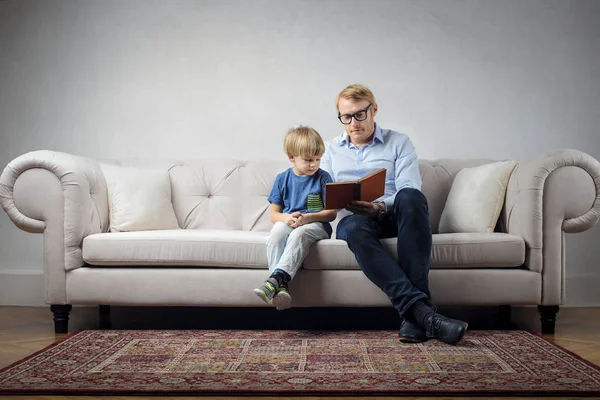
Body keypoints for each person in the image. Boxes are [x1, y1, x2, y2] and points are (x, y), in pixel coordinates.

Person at [321, 84, 468, 345]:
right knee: (352, 227)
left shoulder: (399, 142)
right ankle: (421, 315)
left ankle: (415, 315)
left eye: (360, 115)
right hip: (354, 221)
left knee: (411, 197)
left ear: (374, 109)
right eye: (346, 117)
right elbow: (323, 196)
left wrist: (379, 206)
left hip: (392, 216)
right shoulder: (330, 151)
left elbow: (409, 187)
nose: (353, 123)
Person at [254, 126, 337, 310]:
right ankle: (280, 287)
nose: (314, 164)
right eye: (308, 160)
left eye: (318, 159)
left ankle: (275, 279)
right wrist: (286, 218)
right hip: (290, 222)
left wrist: (308, 218)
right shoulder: (282, 179)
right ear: (292, 157)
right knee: (277, 233)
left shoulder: (324, 178)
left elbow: (331, 213)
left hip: (316, 226)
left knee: (299, 234)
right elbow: (274, 215)